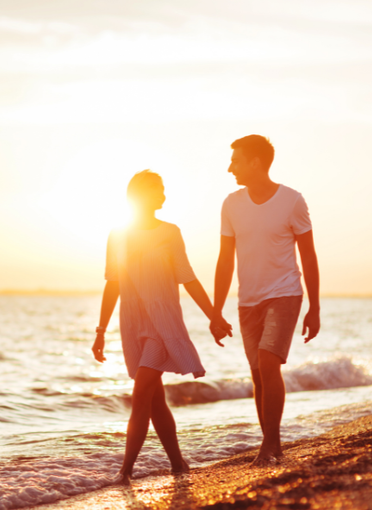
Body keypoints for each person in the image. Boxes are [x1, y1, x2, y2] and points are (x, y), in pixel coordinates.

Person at [92, 170, 231, 484]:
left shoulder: (170, 232)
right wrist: (100, 331)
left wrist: (213, 315)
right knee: (155, 399)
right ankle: (178, 464)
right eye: (158, 190)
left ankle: (124, 471)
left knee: (141, 392)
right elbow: (112, 284)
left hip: (162, 322)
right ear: (141, 195)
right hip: (132, 322)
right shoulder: (118, 234)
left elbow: (188, 277)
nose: (164, 196)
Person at [210, 135, 320, 465]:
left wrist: (314, 307)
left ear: (256, 162)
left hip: (285, 293)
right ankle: (272, 442)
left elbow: (309, 256)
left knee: (269, 362)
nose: (230, 168)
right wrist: (216, 311)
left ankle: (269, 445)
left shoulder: (292, 201)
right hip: (248, 301)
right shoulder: (231, 204)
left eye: (236, 161)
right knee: (258, 373)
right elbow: (225, 260)